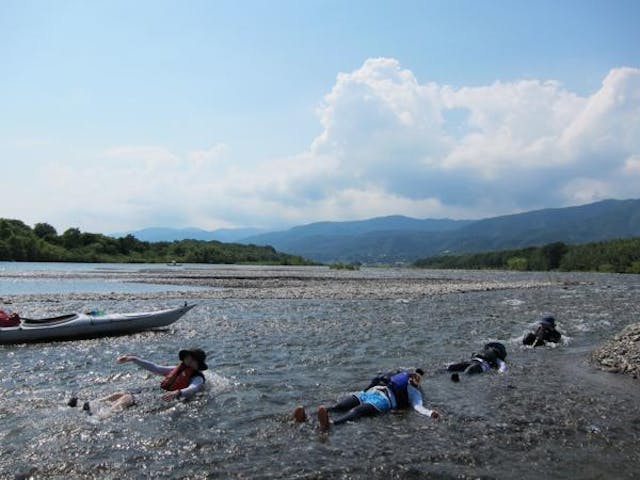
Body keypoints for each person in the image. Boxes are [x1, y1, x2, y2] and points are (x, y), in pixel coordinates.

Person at [293, 368, 439, 431]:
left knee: (356, 412)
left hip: (383, 401)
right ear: (411, 374)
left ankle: (330, 424)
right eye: (414, 375)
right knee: (338, 407)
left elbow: (418, 407)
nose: (415, 378)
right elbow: (376, 380)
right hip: (368, 394)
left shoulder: (414, 392)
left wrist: (430, 413)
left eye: (418, 378)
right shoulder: (396, 376)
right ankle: (306, 417)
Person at [68, 348, 208, 413]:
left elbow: (193, 389)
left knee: (128, 398)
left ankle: (102, 416)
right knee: (120, 393)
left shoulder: (197, 378)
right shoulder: (177, 369)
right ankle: (90, 404)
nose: (189, 361)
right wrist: (133, 358)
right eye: (188, 358)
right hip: (161, 393)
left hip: (169, 398)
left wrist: (177, 393)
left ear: (197, 364)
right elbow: (155, 368)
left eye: (193, 360)